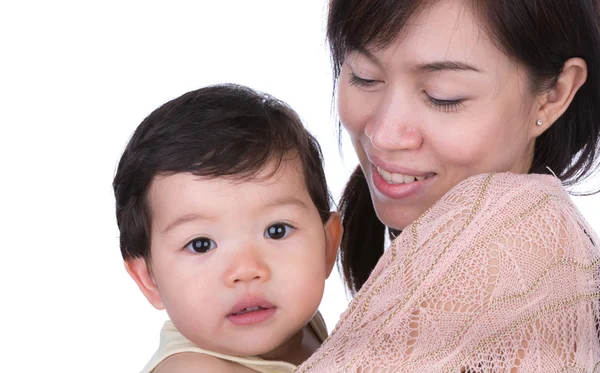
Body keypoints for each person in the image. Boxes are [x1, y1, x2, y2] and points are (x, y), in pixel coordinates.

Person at [298, 0, 600, 371]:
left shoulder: (510, 237)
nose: (384, 136)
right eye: (365, 76)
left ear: (554, 93)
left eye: (444, 96)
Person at [112, 84, 342, 373]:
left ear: (328, 244)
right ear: (149, 279)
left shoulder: (302, 325)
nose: (246, 270)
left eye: (277, 230)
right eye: (201, 244)